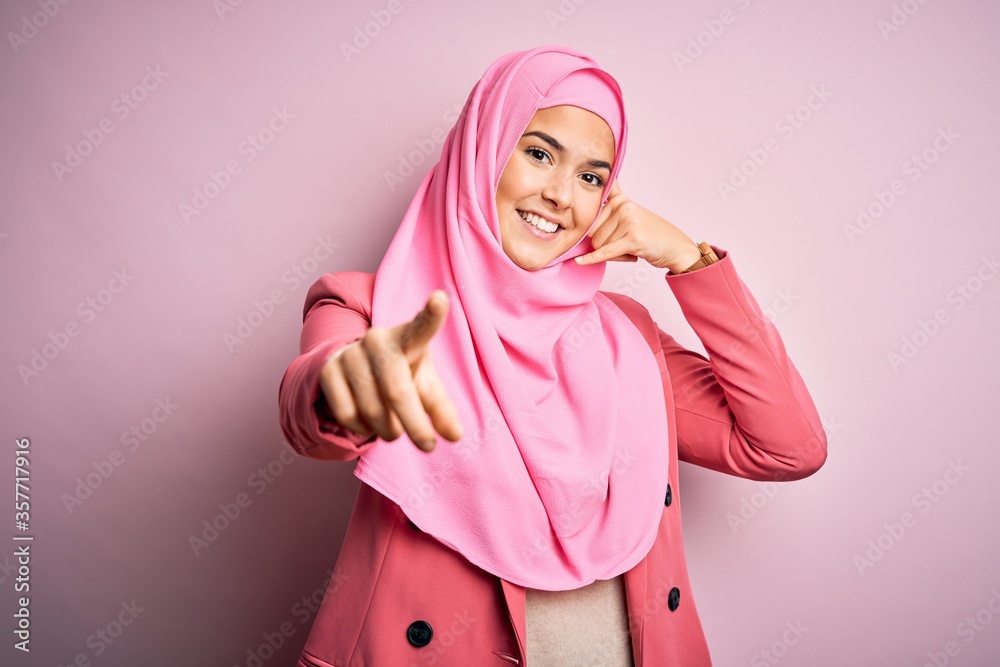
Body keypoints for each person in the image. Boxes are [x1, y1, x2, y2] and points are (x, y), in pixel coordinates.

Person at [278, 45, 827, 666]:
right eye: (539, 153)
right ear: (482, 152)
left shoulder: (627, 338)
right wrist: (346, 390)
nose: (563, 195)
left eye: (592, 176)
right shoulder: (373, 311)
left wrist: (688, 259)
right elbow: (315, 411)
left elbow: (788, 447)